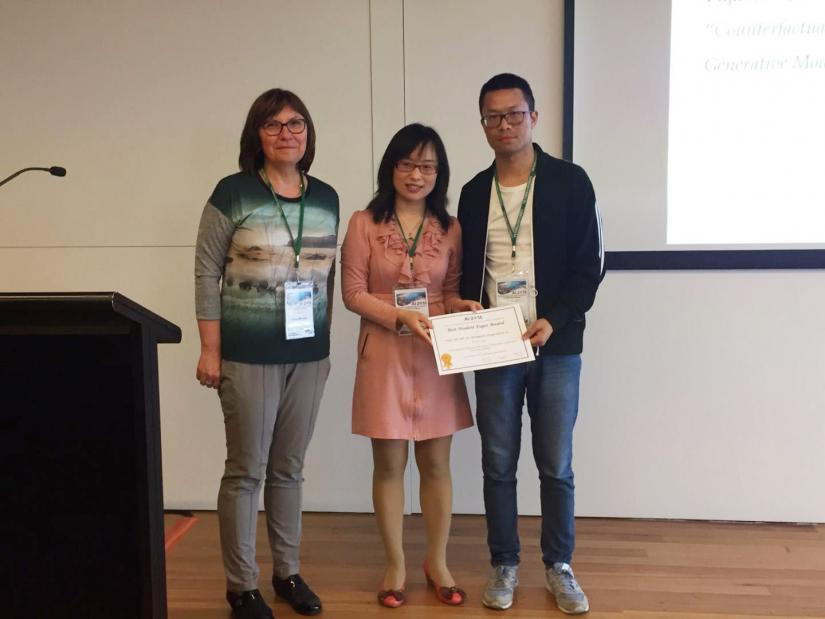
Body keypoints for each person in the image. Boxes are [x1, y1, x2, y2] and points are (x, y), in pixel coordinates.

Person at [457, 73, 603, 614]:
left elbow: (591, 267)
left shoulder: (570, 181)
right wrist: (463, 311)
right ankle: (505, 563)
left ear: (534, 118)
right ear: (483, 125)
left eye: (514, 114)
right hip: (494, 346)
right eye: (492, 117)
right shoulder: (474, 193)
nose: (504, 125)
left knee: (555, 463)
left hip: (556, 344)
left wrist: (555, 319)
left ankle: (559, 566)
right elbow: (468, 271)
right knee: (497, 462)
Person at [194, 88, 339, 619]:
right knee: (246, 470)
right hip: (247, 352)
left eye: (296, 124)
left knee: (289, 468)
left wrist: (324, 347)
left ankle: (286, 572)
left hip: (309, 354)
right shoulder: (232, 193)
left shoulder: (326, 196)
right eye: (274, 125)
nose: (287, 134)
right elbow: (206, 272)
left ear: (308, 133)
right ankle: (242, 586)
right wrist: (211, 349)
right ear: (256, 135)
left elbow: (326, 275)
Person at [341, 123, 481, 608]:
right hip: (383, 353)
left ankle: (437, 561)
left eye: (427, 166)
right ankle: (396, 563)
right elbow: (353, 294)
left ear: (438, 173)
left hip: (436, 352)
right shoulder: (362, 223)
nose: (416, 175)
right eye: (406, 164)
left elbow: (450, 290)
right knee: (390, 464)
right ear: (391, 167)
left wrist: (460, 306)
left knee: (437, 464)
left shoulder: (450, 227)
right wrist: (397, 314)